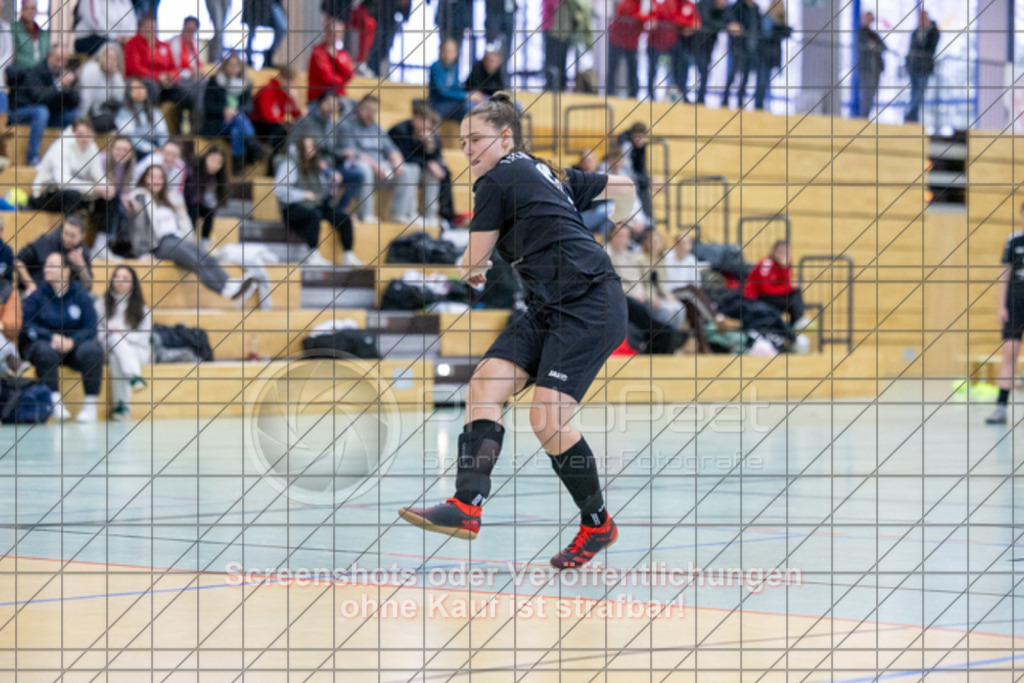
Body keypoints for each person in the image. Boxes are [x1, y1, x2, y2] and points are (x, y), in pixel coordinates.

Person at [397, 92, 638, 570]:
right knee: (486, 383)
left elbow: (471, 261)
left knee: (546, 419)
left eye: (475, 140)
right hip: (550, 306)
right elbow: (626, 186)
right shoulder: (549, 172)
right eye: (462, 141)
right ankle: (466, 506)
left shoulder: (498, 177)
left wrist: (475, 269)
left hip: (590, 303)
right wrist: (606, 231)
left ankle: (598, 524)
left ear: (505, 138)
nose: (466, 150)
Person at [128, 164, 256, 300]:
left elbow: (182, 224)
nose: (156, 180)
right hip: (160, 244)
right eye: (152, 177)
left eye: (160, 177)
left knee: (206, 256)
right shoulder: (139, 198)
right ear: (145, 179)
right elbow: (137, 227)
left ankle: (230, 284)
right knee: (195, 260)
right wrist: (143, 253)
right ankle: (225, 290)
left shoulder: (169, 199)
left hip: (177, 239)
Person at [20, 251, 103, 422]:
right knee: (44, 351)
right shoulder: (37, 295)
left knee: (93, 350)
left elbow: (91, 326)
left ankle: (90, 405)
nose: (46, 269)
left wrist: (73, 341)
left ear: (65, 271)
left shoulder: (80, 295)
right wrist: (51, 337)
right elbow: (27, 324)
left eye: (52, 265)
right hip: (48, 346)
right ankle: (55, 401)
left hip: (73, 347)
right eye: (46, 265)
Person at [274, 137, 357, 266]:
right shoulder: (290, 164)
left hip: (314, 205)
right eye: (306, 147)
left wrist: (333, 182)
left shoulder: (317, 166)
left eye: (312, 147)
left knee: (343, 218)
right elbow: (279, 190)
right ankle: (312, 253)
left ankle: (348, 254)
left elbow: (324, 192)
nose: (309, 150)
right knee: (314, 216)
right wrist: (302, 195)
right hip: (292, 207)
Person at [339, 93, 410, 224]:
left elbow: (392, 149)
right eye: (367, 109)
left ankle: (399, 214)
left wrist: (397, 161)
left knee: (406, 171)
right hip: (361, 170)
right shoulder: (347, 126)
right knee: (364, 169)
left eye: (373, 111)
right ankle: (366, 215)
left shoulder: (377, 128)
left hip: (383, 173)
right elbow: (351, 153)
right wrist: (374, 165)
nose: (370, 114)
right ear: (359, 108)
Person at [7, 40, 80, 166]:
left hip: (47, 116)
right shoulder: (35, 72)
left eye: (64, 60)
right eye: (58, 59)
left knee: (75, 116)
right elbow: (39, 98)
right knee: (41, 111)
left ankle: (68, 158)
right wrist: (59, 85)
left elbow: (74, 103)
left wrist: (68, 89)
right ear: (49, 56)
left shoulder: (64, 74)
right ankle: (33, 158)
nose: (61, 63)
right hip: (20, 112)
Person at [29, 118, 117, 216]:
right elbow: (63, 181)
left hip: (76, 192)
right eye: (80, 134)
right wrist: (93, 188)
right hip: (46, 194)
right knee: (73, 195)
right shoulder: (61, 146)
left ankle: (104, 231)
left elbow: (98, 174)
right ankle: (68, 229)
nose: (84, 138)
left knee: (112, 196)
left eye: (88, 134)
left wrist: (106, 186)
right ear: (73, 133)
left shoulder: (92, 147)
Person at [99, 265, 151, 421]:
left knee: (118, 352)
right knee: (115, 342)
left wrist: (123, 334)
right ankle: (134, 376)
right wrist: (113, 335)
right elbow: (98, 333)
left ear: (133, 284)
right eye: (117, 277)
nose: (120, 281)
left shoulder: (143, 309)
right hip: (108, 347)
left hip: (138, 351)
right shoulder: (102, 305)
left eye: (125, 278)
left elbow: (143, 337)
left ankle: (121, 405)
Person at [986, 211, 1024, 425]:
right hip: (1014, 305)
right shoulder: (1013, 240)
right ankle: (1000, 407)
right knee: (1010, 353)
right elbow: (1004, 274)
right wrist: (1001, 305)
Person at [388, 99, 449, 227]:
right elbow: (404, 157)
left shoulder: (429, 133)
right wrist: (427, 162)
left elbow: (437, 158)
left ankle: (431, 215)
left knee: (435, 174)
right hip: (397, 169)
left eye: (427, 121)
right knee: (413, 169)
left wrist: (429, 146)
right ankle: (409, 212)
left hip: (418, 170)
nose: (426, 125)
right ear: (415, 118)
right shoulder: (400, 130)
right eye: (422, 120)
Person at [199, 53, 261, 174]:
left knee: (236, 131)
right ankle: (253, 143)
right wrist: (224, 110)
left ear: (241, 68)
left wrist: (234, 112)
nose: (233, 68)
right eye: (230, 65)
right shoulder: (215, 81)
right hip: (217, 122)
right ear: (225, 66)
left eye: (236, 65)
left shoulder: (246, 84)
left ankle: (237, 167)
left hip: (237, 124)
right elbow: (208, 105)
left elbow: (249, 107)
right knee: (237, 120)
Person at [16, 217, 94, 291]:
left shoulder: (82, 253)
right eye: (66, 233)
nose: (67, 239)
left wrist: (81, 265)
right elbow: (18, 260)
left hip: (66, 298)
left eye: (72, 236)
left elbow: (88, 287)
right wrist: (30, 285)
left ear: (82, 236)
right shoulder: (46, 241)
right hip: (38, 291)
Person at [93, 135, 138, 259]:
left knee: (132, 206)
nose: (121, 153)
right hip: (94, 196)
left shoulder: (130, 166)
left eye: (125, 150)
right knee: (113, 197)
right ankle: (100, 246)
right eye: (118, 149)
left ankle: (127, 248)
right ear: (112, 148)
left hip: (112, 198)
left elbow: (125, 191)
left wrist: (128, 199)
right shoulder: (101, 160)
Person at [744, 240, 807, 328]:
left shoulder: (783, 265)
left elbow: (784, 284)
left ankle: (796, 323)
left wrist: (784, 268)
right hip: (757, 297)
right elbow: (766, 289)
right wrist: (790, 286)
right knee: (792, 299)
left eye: (786, 253)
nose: (783, 255)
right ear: (774, 251)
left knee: (795, 294)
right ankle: (798, 321)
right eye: (781, 252)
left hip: (772, 296)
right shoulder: (766, 263)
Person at [251, 66, 302, 169]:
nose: (292, 86)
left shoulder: (287, 93)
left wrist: (296, 101)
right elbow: (267, 115)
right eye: (290, 82)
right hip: (258, 125)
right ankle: (271, 167)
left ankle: (294, 165)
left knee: (297, 130)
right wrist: (284, 124)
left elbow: (298, 117)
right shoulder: (269, 89)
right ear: (282, 80)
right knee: (282, 130)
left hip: (275, 125)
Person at [182, 147, 228, 251]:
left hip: (202, 205)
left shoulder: (218, 177)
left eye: (219, 163)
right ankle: (190, 243)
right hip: (187, 203)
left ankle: (205, 243)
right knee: (194, 209)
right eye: (212, 160)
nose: (215, 165)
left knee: (210, 212)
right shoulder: (193, 169)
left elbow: (215, 199)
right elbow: (189, 195)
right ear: (206, 157)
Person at [429, 38, 485, 122]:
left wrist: (472, 94)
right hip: (438, 105)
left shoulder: (454, 67)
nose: (448, 54)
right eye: (446, 51)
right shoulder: (436, 67)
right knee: (468, 108)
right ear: (441, 52)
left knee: (475, 107)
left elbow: (456, 87)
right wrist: (466, 96)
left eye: (451, 51)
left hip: (452, 103)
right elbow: (443, 92)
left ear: (456, 53)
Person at [114, 77, 169, 158]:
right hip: (137, 151)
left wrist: (163, 147)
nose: (139, 90)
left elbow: (163, 132)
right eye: (135, 88)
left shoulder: (154, 111)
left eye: (141, 87)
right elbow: (130, 137)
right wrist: (152, 149)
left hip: (157, 148)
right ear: (128, 93)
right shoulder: (124, 113)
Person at [77, 42, 126, 132]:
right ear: (101, 56)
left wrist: (115, 77)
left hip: (104, 111)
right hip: (89, 113)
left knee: (124, 115)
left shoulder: (115, 76)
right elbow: (86, 98)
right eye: (107, 57)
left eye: (114, 59)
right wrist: (82, 122)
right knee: (112, 121)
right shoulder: (92, 69)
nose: (110, 61)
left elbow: (119, 98)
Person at [752, 0, 791, 111]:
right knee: (761, 81)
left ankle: (763, 106)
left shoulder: (780, 20)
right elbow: (767, 33)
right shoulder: (767, 17)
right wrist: (780, 29)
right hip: (763, 55)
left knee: (766, 82)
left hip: (772, 56)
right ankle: (758, 106)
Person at [721, 0, 760, 108]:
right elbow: (728, 21)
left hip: (752, 46)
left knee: (746, 76)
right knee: (733, 73)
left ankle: (740, 101)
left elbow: (758, 26)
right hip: (738, 45)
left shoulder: (756, 8)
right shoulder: (737, 6)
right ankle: (725, 100)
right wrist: (733, 25)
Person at [307, 18, 354, 104]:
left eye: (338, 34)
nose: (335, 36)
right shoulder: (318, 52)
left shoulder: (342, 54)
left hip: (338, 98)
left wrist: (335, 58)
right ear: (327, 33)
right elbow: (327, 78)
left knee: (359, 107)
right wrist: (343, 81)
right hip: (320, 100)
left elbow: (350, 75)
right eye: (333, 33)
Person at [904, 9, 939, 124]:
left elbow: (930, 49)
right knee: (914, 93)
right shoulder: (915, 32)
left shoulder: (934, 32)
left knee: (919, 94)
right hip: (914, 68)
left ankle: (911, 116)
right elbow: (910, 49)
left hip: (925, 68)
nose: (921, 21)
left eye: (923, 18)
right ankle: (912, 118)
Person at [607, 0, 644, 98]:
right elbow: (625, 12)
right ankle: (609, 93)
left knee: (633, 69)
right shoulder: (627, 2)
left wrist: (642, 17)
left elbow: (651, 15)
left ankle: (633, 95)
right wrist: (641, 17)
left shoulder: (643, 3)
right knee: (612, 68)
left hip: (631, 42)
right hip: (617, 40)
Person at [694, 0, 728, 104]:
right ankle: (690, 97)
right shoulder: (703, 4)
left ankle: (700, 98)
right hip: (696, 43)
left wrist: (720, 9)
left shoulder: (722, 8)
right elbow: (707, 21)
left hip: (709, 45)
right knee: (699, 70)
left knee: (704, 71)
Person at [856, 11, 885, 119]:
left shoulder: (873, 34)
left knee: (871, 95)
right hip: (866, 68)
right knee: (866, 95)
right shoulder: (859, 33)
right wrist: (872, 47)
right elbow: (864, 46)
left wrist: (873, 46)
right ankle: (863, 118)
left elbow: (883, 47)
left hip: (876, 68)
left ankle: (865, 117)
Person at [242, 0, 288, 68]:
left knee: (282, 26)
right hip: (253, 4)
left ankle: (269, 55)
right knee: (251, 30)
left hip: (271, 3)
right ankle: (249, 59)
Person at [11, 0, 48, 67]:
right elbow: (13, 55)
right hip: (22, 71)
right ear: (22, 10)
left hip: (41, 71)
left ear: (36, 11)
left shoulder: (42, 33)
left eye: (33, 8)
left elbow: (47, 53)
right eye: (26, 8)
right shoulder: (13, 29)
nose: (30, 12)